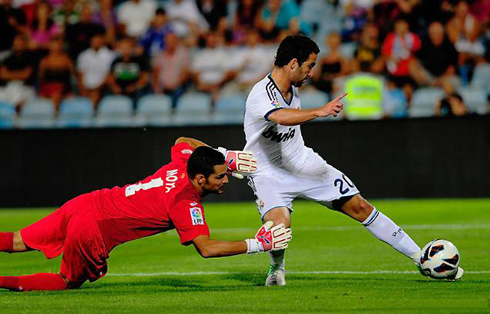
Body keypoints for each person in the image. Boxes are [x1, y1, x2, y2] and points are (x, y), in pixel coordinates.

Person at [242, 34, 464, 286]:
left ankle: (421, 258)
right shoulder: (260, 93)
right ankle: (276, 268)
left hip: (302, 162)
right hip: (267, 173)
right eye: (310, 66)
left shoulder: (292, 87)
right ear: (293, 63)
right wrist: (319, 111)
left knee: (360, 206)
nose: (311, 73)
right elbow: (279, 116)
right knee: (279, 227)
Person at [0, 137, 291, 291]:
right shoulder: (186, 203)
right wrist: (258, 244)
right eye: (221, 176)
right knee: (66, 281)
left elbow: (182, 141)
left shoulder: (183, 163)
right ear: (200, 180)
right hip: (93, 229)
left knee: (16, 240)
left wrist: (223, 155)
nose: (227, 179)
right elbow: (206, 248)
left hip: (87, 202)